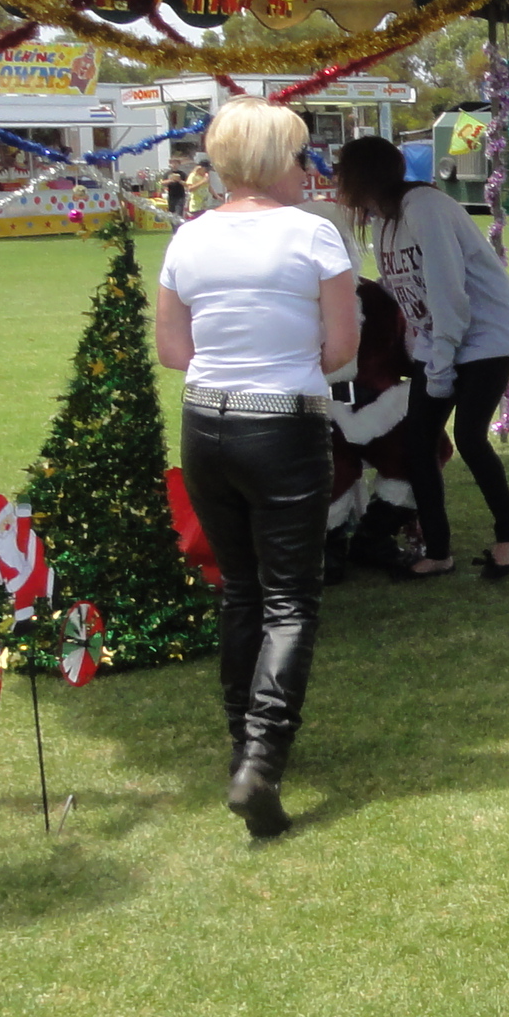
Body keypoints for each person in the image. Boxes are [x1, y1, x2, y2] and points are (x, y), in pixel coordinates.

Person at [155, 99, 359, 838]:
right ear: (275, 162)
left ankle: (243, 743)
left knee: (241, 590)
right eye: (301, 156)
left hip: (206, 422)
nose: (309, 170)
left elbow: (173, 350)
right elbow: (342, 347)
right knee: (290, 599)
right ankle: (263, 759)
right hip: (283, 422)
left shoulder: (189, 236)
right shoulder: (313, 233)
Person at [334, 137, 509, 583]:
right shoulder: (384, 221)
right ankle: (438, 551)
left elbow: (448, 292)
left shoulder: (425, 208)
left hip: (485, 337)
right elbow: (401, 285)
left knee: (470, 437)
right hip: (438, 339)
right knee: (417, 443)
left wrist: (440, 362)